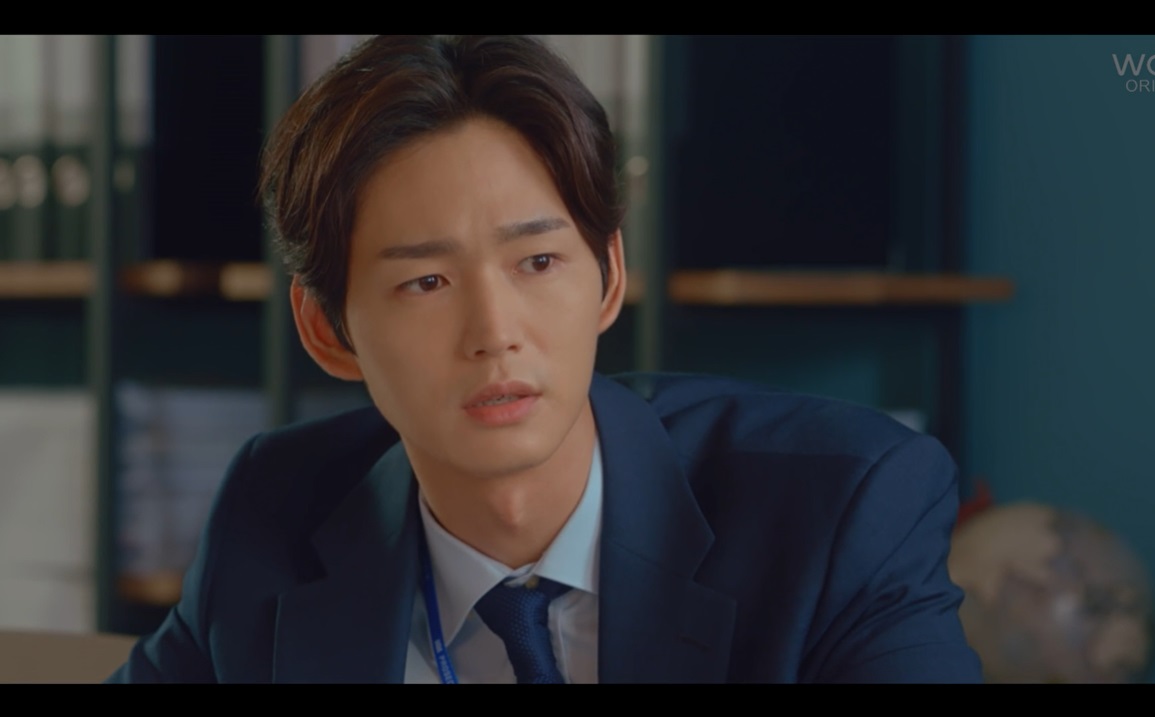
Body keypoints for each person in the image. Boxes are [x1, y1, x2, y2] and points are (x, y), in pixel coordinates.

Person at [107, 34, 983, 683]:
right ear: (325, 329)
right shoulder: (273, 514)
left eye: (536, 262)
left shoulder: (842, 513)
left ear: (609, 278)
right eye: (425, 282)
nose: (494, 331)